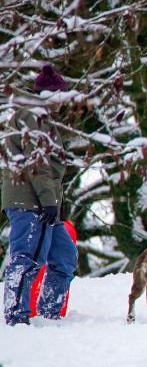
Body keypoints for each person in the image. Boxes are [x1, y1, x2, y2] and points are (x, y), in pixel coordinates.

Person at [2, 65, 78, 326]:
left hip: (44, 203)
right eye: (60, 95)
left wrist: (54, 204)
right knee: (27, 258)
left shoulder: (43, 118)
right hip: (29, 201)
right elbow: (39, 166)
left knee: (65, 256)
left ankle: (50, 314)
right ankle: (16, 316)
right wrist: (48, 202)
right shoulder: (31, 117)